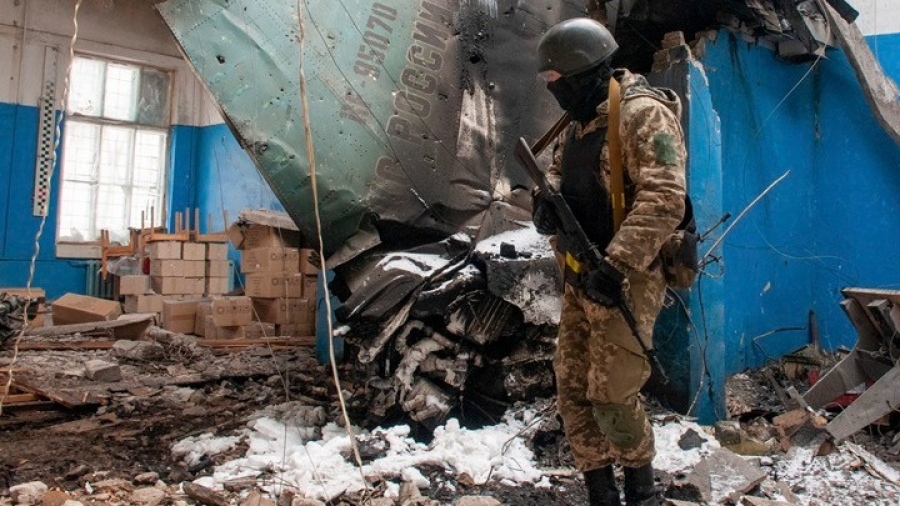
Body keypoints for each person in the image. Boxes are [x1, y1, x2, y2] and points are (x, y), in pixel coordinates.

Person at [531, 18, 687, 506]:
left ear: (581, 72)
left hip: (626, 279)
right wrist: (546, 205)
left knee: (614, 397)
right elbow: (559, 176)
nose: (552, 92)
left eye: (554, 81)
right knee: (574, 392)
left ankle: (641, 490)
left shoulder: (642, 115)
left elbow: (665, 199)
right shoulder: (578, 122)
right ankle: (600, 490)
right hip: (580, 277)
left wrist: (615, 265)